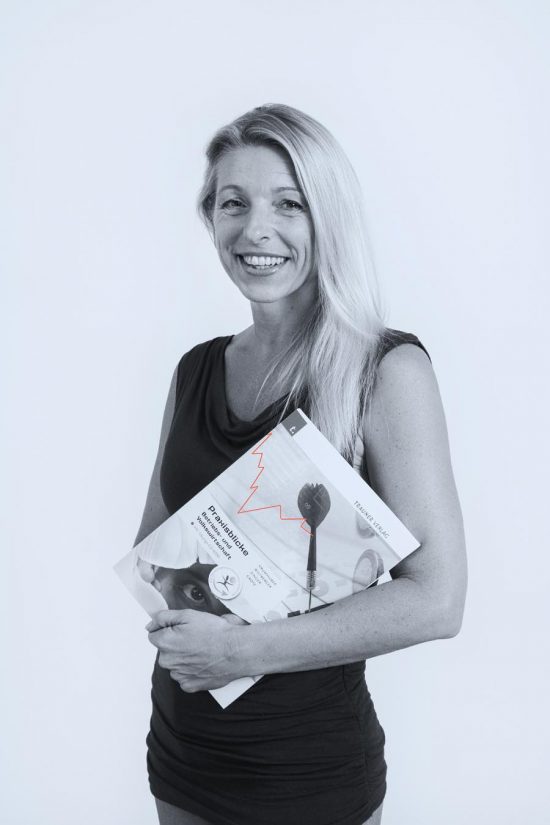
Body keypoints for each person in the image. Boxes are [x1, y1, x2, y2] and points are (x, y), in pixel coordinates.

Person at [133, 103, 468, 825]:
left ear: (328, 217)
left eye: (289, 204)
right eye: (234, 203)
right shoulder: (195, 370)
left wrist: (241, 651)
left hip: (309, 770)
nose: (256, 229)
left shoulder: (386, 371)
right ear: (210, 218)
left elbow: (438, 599)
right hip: (184, 749)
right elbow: (156, 555)